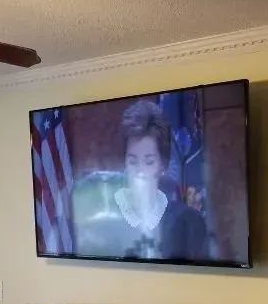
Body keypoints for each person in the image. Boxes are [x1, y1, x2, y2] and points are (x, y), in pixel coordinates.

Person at [76, 99, 207, 260]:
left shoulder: (187, 221)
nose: (140, 171)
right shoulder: (101, 218)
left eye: (149, 161)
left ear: (163, 165)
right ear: (124, 162)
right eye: (132, 161)